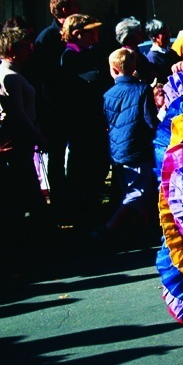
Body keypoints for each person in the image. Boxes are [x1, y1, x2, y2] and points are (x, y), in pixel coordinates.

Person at [96, 48, 157, 242]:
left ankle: (145, 228)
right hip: (138, 147)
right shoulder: (142, 89)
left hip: (117, 148)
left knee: (130, 188)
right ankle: (109, 226)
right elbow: (149, 120)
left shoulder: (108, 94)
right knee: (138, 191)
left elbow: (106, 120)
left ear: (113, 70)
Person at [57, 14, 112, 227]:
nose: (95, 35)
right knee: (84, 168)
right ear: (78, 33)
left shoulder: (89, 54)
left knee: (98, 167)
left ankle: (91, 210)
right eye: (91, 31)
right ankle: (83, 214)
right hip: (82, 123)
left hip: (95, 121)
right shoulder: (70, 57)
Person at [0, 27, 48, 232]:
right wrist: (38, 134)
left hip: (19, 134)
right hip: (21, 136)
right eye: (25, 47)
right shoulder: (12, 77)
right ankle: (39, 226)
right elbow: (18, 112)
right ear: (12, 49)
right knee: (27, 181)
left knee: (23, 182)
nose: (30, 51)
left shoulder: (6, 73)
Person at [32, 0, 80, 213]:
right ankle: (61, 202)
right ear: (63, 11)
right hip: (55, 106)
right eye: (74, 5)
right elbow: (42, 76)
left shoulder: (72, 35)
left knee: (76, 154)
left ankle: (75, 196)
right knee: (57, 156)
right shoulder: (48, 37)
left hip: (72, 104)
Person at [144, 18, 177, 83]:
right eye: (164, 33)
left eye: (168, 32)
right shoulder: (152, 59)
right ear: (153, 36)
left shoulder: (172, 53)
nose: (168, 35)